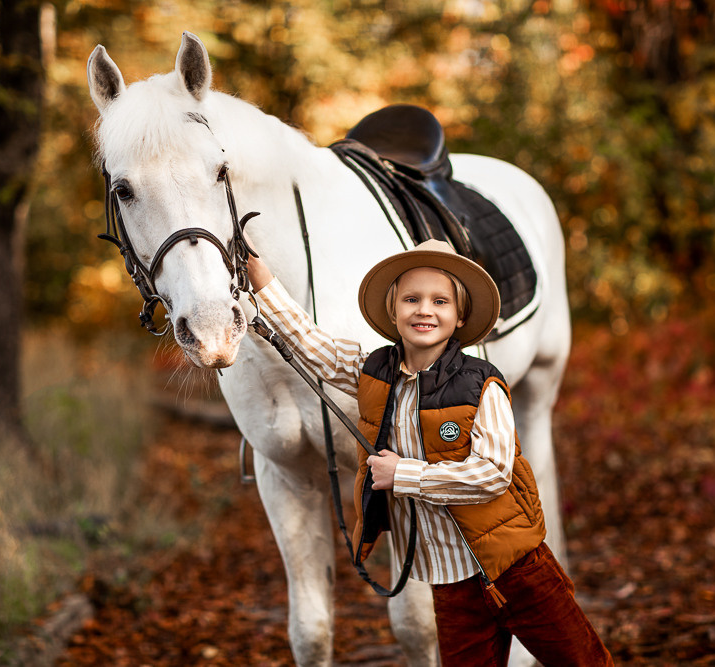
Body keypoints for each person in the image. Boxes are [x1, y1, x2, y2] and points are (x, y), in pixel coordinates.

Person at [247, 239, 612, 666]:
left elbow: (492, 472)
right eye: (412, 299)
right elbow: (312, 346)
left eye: (440, 301)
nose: (425, 310)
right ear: (393, 310)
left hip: (518, 569)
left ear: (459, 317)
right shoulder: (374, 373)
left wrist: (405, 475)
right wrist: (261, 281)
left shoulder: (481, 385)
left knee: (584, 662)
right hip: (451, 584)